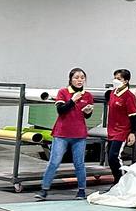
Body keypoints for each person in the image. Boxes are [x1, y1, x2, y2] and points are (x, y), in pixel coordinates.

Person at [36, 68, 95, 200]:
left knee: (79, 163)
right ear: (70, 79)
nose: (79, 80)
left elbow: (87, 116)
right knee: (54, 162)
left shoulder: (88, 95)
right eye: (76, 77)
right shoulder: (63, 92)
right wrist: (72, 100)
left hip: (79, 134)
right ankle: (44, 189)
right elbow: (61, 111)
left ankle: (81, 190)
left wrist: (88, 112)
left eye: (82, 78)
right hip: (62, 134)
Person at [106, 69, 136, 186]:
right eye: (115, 78)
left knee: (114, 157)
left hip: (122, 131)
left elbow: (134, 116)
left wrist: (132, 133)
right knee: (110, 158)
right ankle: (117, 181)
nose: (115, 80)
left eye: (119, 79)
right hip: (111, 130)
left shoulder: (129, 96)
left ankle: (121, 182)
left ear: (126, 81)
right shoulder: (112, 93)